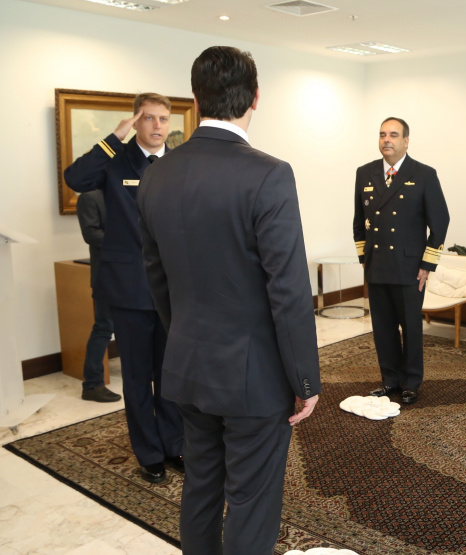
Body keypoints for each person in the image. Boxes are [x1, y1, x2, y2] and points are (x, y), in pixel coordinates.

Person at [137, 46, 321, 555]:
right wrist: (305, 379)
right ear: (255, 98)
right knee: (251, 502)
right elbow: (287, 290)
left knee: (201, 487)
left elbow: (158, 278)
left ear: (195, 100)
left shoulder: (157, 173)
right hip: (254, 378)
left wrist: (186, 338)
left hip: (190, 365)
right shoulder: (269, 174)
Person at [64, 93, 184, 484]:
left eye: (163, 119)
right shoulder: (116, 160)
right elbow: (75, 178)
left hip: (173, 289)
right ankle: (148, 451)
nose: (157, 126)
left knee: (170, 374)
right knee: (136, 375)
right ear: (136, 121)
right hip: (129, 287)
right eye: (148, 119)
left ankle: (173, 445)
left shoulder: (181, 162)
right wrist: (112, 139)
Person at [353, 117, 449, 405]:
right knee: (382, 328)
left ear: (406, 141)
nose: (387, 140)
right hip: (378, 265)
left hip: (409, 268)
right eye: (383, 134)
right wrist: (364, 260)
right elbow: (359, 222)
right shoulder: (365, 173)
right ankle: (390, 380)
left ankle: (410, 382)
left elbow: (440, 222)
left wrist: (427, 265)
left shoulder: (424, 174)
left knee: (410, 327)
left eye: (394, 135)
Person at [75, 189, 120, 403]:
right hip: (106, 275)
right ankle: (92, 384)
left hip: (131, 275)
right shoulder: (89, 197)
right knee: (104, 328)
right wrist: (127, 242)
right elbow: (91, 234)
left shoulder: (123, 191)